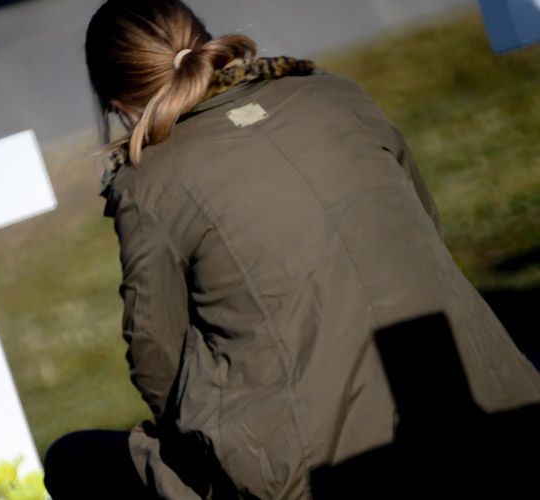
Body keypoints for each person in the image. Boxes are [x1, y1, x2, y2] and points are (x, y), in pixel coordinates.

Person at [44, 1, 540, 498]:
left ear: (116, 103)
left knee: (73, 460)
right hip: (494, 398)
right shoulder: (335, 93)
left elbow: (157, 365)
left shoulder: (147, 183)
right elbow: (427, 228)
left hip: (311, 472)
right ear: (207, 41)